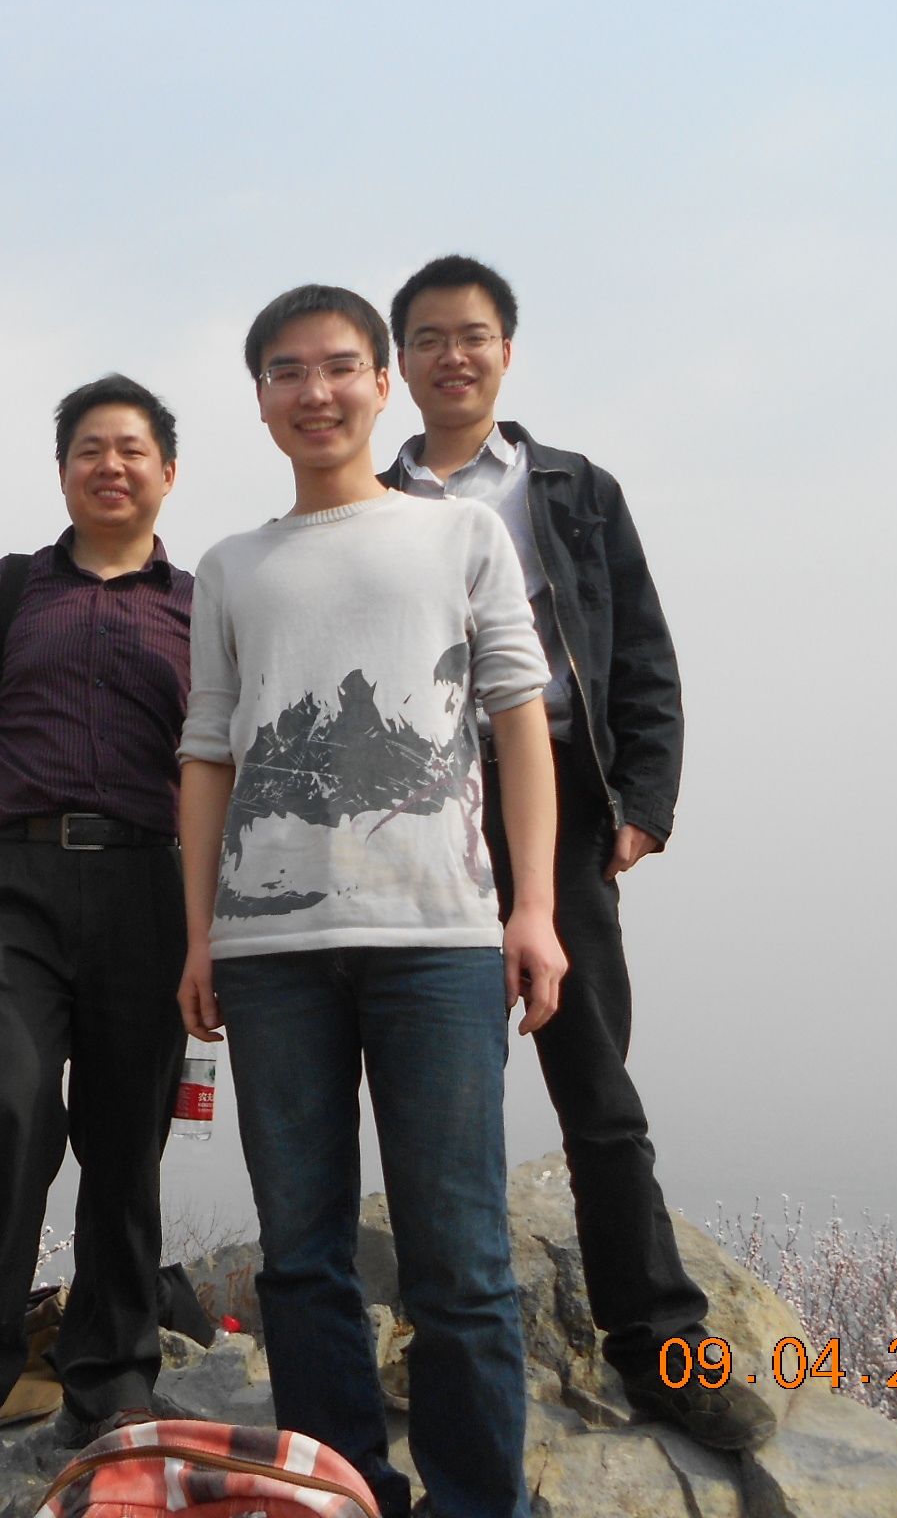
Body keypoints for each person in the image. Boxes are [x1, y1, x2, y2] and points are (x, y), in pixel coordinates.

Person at [177, 285, 564, 1518]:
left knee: (461, 1261)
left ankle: (475, 1502)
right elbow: (206, 753)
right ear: (259, 398)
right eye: (286, 371)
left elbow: (517, 719)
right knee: (298, 1257)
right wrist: (198, 935)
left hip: (436, 939)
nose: (315, 392)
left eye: (339, 366)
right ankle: (342, 1492)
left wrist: (533, 909)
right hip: (268, 950)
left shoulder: (460, 536)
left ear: (380, 383)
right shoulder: (230, 566)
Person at [380, 255, 775, 1453]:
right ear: (400, 363)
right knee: (437, 1091)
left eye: (472, 334)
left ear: (505, 351)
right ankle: (448, 1344)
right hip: (418, 815)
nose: (452, 355)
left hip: (556, 797)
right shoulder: (372, 500)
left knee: (595, 1085)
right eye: (428, 338)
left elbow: (639, 651)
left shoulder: (570, 488)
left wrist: (642, 802)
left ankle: (658, 1344)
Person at [0, 375, 193, 1451]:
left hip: (148, 886)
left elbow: (216, 758)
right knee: (11, 1103)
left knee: (126, 1135)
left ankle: (113, 1378)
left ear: (167, 471)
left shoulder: (201, 607)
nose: (111, 465)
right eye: (88, 449)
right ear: (62, 472)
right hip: (10, 882)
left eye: (132, 449)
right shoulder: (12, 588)